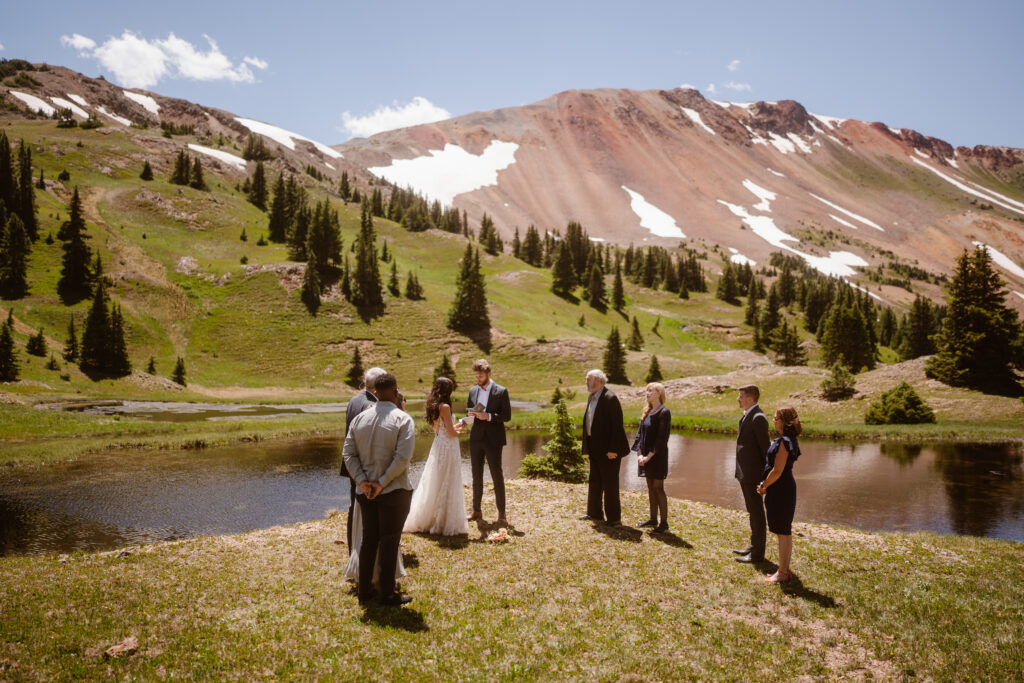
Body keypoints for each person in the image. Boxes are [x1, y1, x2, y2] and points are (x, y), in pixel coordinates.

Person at [343, 373, 415, 606]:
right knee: (389, 540)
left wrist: (362, 481)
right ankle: (386, 593)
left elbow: (348, 454)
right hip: (393, 490)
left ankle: (364, 592)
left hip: (365, 492)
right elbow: (402, 458)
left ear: (373, 391)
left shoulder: (359, 420)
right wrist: (382, 482)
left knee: (368, 540)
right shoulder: (403, 419)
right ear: (395, 392)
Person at [404, 377, 469, 536]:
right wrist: (463, 428)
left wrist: (457, 426)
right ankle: (443, 520)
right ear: (448, 390)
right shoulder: (445, 407)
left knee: (435, 479)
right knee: (448, 479)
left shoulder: (433, 405)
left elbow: (444, 428)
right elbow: (452, 433)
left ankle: (429, 517)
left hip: (438, 443)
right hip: (448, 446)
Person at [343, 367, 387, 551]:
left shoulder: (354, 400)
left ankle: (353, 546)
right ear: (377, 387)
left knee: (354, 507)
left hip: (353, 464)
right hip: (366, 466)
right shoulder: (371, 405)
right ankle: (367, 549)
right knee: (368, 510)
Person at [580, 369, 630, 526]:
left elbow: (617, 427)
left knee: (610, 484)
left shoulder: (610, 398)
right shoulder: (592, 397)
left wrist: (613, 449)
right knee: (594, 481)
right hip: (595, 448)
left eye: (588, 379)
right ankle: (594, 513)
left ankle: (614, 519)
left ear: (599, 381)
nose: (586, 382)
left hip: (609, 451)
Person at [758, 407, 802, 583]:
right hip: (781, 488)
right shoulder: (787, 440)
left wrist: (763, 485)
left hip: (781, 489)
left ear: (784, 421)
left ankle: (783, 573)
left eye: (776, 418)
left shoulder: (785, 442)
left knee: (783, 531)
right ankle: (784, 570)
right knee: (782, 530)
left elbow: (777, 471)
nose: (773, 420)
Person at [466, 359, 512, 526]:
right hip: (476, 438)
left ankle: (501, 514)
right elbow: (469, 410)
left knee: (496, 476)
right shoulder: (472, 391)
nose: (478, 378)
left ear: (489, 374)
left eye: (481, 375)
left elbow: (507, 416)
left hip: (494, 439)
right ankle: (476, 510)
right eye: (476, 375)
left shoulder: (501, 391)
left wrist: (490, 416)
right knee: (476, 475)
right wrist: (468, 416)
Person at [733, 384, 770, 564]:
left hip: (754, 475)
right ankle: (753, 546)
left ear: (750, 398)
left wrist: (765, 478)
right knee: (752, 511)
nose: (738, 399)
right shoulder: (747, 416)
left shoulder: (758, 418)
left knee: (757, 513)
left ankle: (757, 555)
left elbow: (766, 451)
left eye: (740, 396)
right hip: (745, 474)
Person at [632, 382, 672, 532]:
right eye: (647, 391)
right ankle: (653, 519)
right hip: (644, 456)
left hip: (657, 456)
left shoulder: (664, 412)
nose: (648, 393)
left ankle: (664, 524)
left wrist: (648, 457)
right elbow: (639, 435)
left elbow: (662, 439)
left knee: (658, 488)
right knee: (650, 487)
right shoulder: (647, 411)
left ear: (660, 394)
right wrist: (639, 454)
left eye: (651, 391)